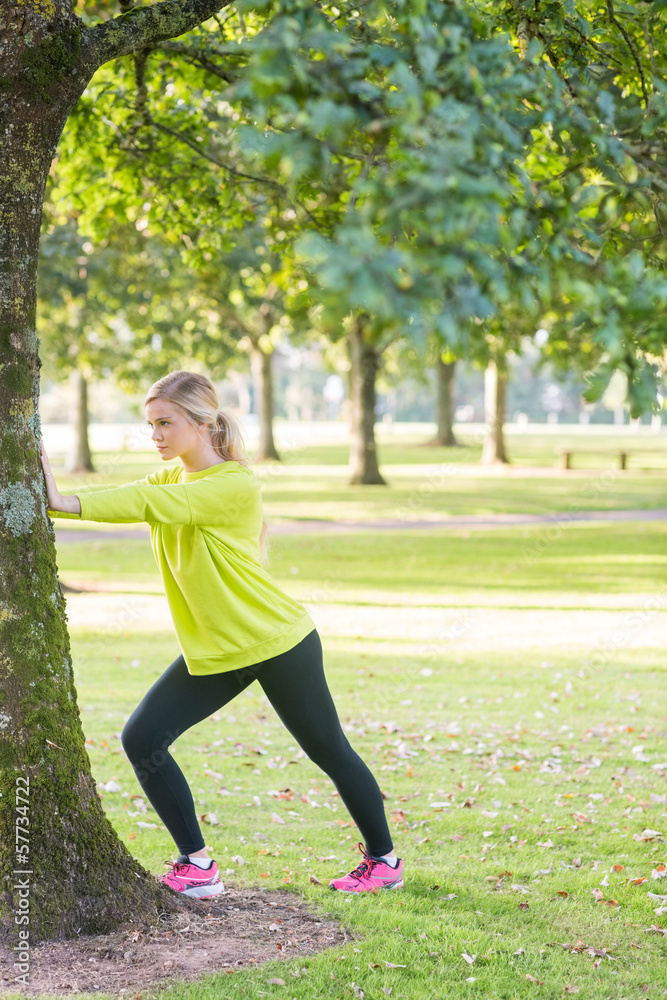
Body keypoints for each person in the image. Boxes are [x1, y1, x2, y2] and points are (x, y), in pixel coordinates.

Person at [41, 370, 403, 896]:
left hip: (278, 642)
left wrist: (65, 500)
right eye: (151, 425)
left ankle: (384, 861)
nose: (156, 436)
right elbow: (136, 493)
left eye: (166, 423)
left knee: (329, 749)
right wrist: (63, 497)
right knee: (142, 737)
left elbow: (146, 505)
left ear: (201, 423)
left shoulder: (233, 483)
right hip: (219, 650)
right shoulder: (172, 479)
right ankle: (197, 865)